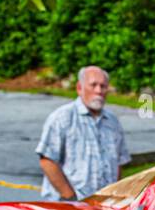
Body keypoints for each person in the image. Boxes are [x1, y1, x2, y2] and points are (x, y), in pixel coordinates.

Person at [36, 65, 131, 201]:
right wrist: (69, 197)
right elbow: (47, 161)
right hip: (68, 207)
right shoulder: (62, 118)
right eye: (93, 85)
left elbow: (118, 163)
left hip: (103, 207)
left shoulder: (113, 122)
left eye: (103, 86)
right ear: (79, 88)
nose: (99, 91)